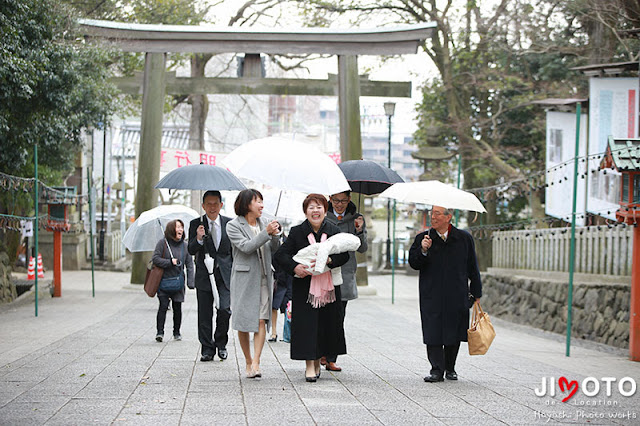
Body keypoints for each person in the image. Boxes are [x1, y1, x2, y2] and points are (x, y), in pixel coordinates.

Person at [273, 193, 349, 382]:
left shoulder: (333, 230)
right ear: (305, 211)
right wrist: (295, 268)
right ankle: (309, 364)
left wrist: (330, 260)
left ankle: (317, 361)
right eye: (311, 207)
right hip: (304, 288)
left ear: (325, 209)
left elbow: (345, 255)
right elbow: (281, 255)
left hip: (328, 289)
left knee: (324, 325)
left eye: (319, 207)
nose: (315, 211)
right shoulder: (297, 232)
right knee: (307, 326)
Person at [408, 206, 482, 382]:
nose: (433, 217)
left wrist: (476, 291)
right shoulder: (423, 238)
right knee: (432, 330)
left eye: (438, 214)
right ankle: (436, 369)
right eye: (432, 213)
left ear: (449, 217)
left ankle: (450, 367)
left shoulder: (464, 238)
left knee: (453, 331)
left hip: (456, 292)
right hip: (431, 293)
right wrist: (423, 250)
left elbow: (473, 266)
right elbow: (414, 263)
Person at [226, 189, 281, 378]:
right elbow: (246, 247)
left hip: (265, 278)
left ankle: (256, 361)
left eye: (262, 201)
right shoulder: (233, 226)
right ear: (246, 203)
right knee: (243, 322)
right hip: (244, 279)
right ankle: (248, 360)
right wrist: (266, 233)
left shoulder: (265, 223)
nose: (261, 205)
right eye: (257, 201)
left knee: (260, 319)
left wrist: (275, 235)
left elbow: (274, 249)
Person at [322, 190, 368, 372]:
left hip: (346, 273)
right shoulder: (324, 216)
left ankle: (331, 357)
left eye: (342, 201)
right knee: (323, 315)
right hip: (325, 271)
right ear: (330, 199)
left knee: (338, 317)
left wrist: (359, 230)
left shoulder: (356, 219)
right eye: (335, 200)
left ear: (349, 200)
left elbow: (363, 248)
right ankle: (321, 353)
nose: (339, 204)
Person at [188, 190, 233, 362]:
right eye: (209, 204)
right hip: (204, 275)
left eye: (216, 203)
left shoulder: (230, 223)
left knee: (224, 309)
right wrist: (199, 239)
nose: (212, 207)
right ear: (203, 206)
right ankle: (207, 349)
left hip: (225, 275)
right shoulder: (195, 224)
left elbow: (233, 251)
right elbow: (190, 249)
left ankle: (221, 343)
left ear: (221, 205)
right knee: (205, 313)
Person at [152, 219, 195, 342]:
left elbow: (189, 264)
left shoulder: (185, 246)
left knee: (177, 307)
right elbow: (155, 259)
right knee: (163, 306)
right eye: (177, 227)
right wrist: (170, 262)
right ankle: (160, 332)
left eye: (181, 227)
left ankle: (177, 332)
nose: (180, 229)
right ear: (172, 229)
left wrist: (191, 282)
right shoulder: (162, 243)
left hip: (178, 282)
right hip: (163, 281)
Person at [269, 233, 293, 343]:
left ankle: (288, 332)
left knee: (289, 307)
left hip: (290, 279)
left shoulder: (291, 243)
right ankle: (273, 332)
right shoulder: (273, 245)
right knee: (274, 306)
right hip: (278, 280)